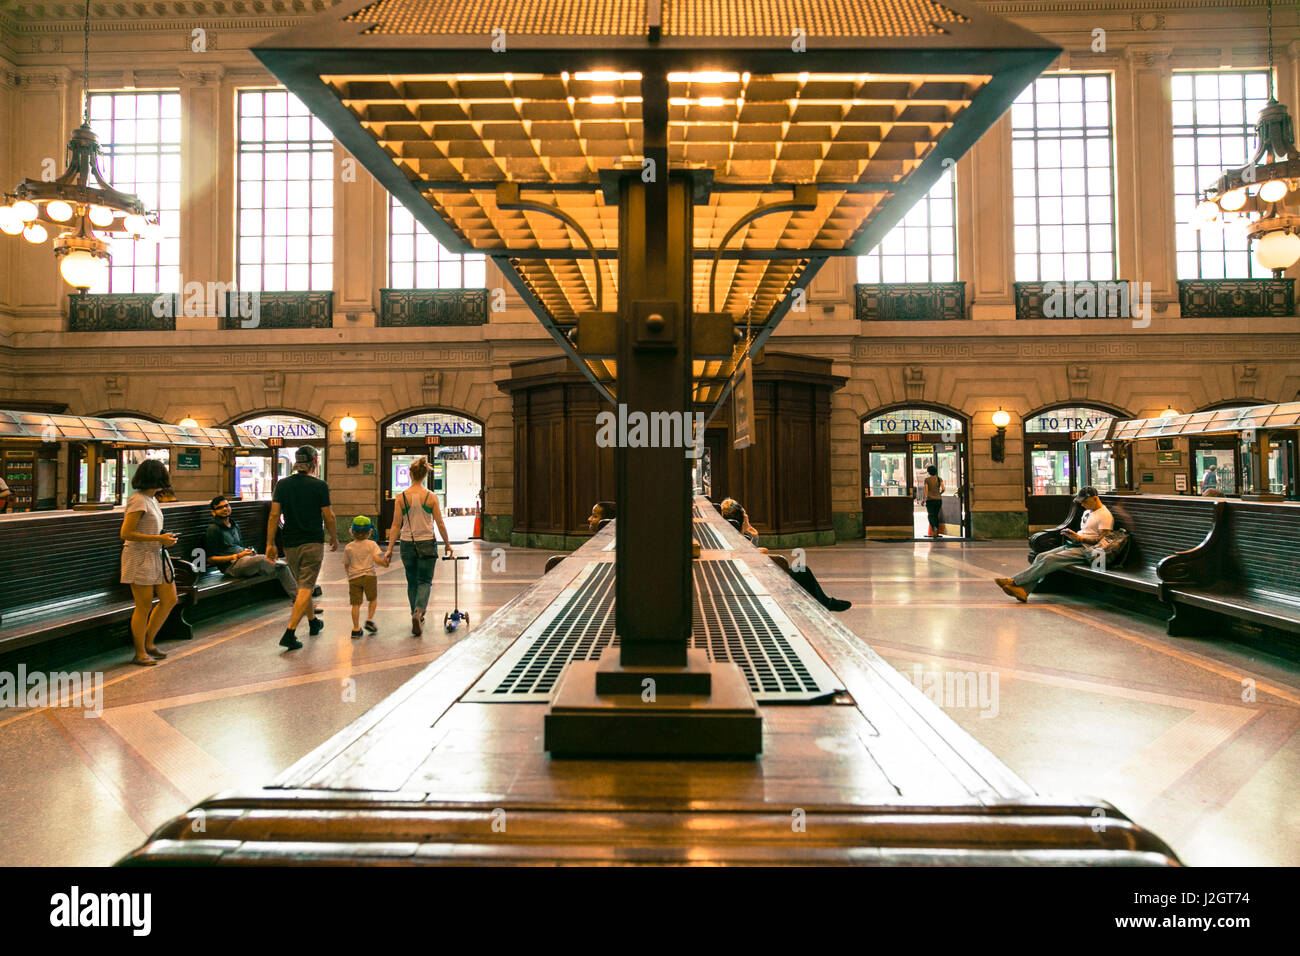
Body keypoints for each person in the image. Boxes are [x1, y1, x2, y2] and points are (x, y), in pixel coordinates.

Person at [719, 498, 851, 612]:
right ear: (741, 520)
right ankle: (825, 604)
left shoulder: (731, 535)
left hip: (753, 573)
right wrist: (750, 532)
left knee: (803, 571)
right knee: (803, 572)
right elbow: (758, 552)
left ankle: (824, 603)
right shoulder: (742, 537)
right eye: (745, 516)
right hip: (760, 578)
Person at [266, 446, 337, 650]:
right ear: (314, 462)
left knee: (302, 586)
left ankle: (313, 621)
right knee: (306, 587)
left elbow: (273, 515)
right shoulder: (320, 485)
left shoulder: (283, 485)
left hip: (290, 543)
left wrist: (270, 543)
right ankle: (290, 632)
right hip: (312, 542)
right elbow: (328, 515)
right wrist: (333, 536)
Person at [996, 486, 1113, 602]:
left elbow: (1102, 540)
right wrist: (1074, 536)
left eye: (1084, 501)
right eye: (1081, 502)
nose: (1082, 504)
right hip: (1075, 544)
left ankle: (1014, 581)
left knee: (1050, 559)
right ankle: (1023, 591)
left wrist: (1080, 539)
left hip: (1088, 550)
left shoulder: (1104, 515)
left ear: (1095, 498)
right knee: (1040, 556)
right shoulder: (1088, 511)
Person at [118, 458, 179, 666]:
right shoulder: (138, 500)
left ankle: (149, 641)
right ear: (155, 477)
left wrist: (162, 539)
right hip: (139, 556)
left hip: (156, 554)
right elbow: (126, 533)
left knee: (170, 598)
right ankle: (140, 651)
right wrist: (158, 539)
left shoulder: (152, 499)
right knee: (143, 605)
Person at [383, 457, 452, 636]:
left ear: (410, 474)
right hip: (427, 543)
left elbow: (396, 525)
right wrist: (447, 544)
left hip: (407, 544)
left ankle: (415, 614)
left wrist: (390, 548)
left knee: (412, 581)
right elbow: (440, 523)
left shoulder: (401, 497)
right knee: (425, 581)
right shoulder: (431, 497)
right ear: (425, 476)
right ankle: (419, 611)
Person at [204, 495, 301, 599]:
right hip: (231, 567)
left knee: (282, 568)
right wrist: (236, 556)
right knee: (265, 559)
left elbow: (239, 546)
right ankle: (284, 560)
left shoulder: (233, 525)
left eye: (226, 506)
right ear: (213, 512)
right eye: (220, 507)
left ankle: (300, 601)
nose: (224, 509)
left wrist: (247, 551)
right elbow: (210, 559)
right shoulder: (213, 529)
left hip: (246, 560)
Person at [344, 515, 389, 638]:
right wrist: (384, 565)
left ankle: (355, 628)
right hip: (369, 576)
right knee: (372, 599)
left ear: (352, 531)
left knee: (355, 604)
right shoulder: (372, 544)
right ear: (370, 531)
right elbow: (376, 559)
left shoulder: (348, 547)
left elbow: (347, 565)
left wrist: (349, 575)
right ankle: (369, 619)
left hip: (354, 578)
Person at [923, 464, 945, 538]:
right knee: (936, 515)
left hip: (930, 500)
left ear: (929, 472)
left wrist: (923, 500)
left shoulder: (927, 480)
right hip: (938, 500)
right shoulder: (939, 479)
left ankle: (934, 528)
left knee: (930, 515)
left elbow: (926, 491)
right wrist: (939, 494)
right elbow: (943, 489)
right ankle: (936, 532)